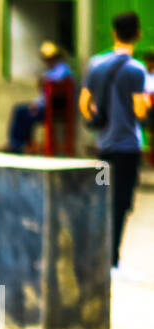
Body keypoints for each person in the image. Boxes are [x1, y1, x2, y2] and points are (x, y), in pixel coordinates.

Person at [80, 10, 150, 271]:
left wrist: (97, 120)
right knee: (121, 203)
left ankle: (98, 252)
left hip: (104, 145)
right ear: (138, 34)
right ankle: (112, 259)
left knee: (103, 198)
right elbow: (139, 111)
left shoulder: (96, 63)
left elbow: (84, 103)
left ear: (113, 33)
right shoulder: (136, 69)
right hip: (128, 147)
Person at [7, 42, 73, 153]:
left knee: (26, 114)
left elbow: (53, 80)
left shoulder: (62, 69)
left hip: (53, 109)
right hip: (45, 107)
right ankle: (16, 144)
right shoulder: (50, 71)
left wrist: (44, 80)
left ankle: (19, 145)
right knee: (20, 110)